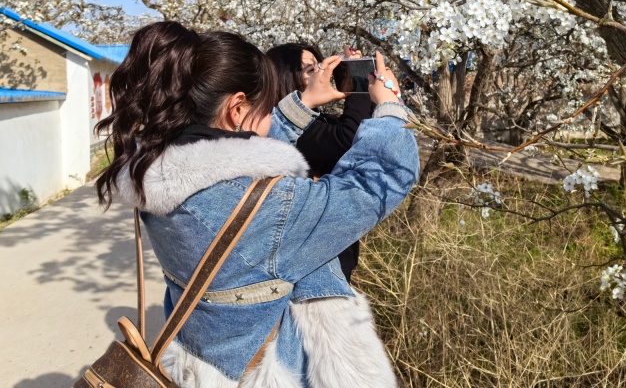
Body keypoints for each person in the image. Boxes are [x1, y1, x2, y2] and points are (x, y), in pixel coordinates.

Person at [95, 22, 419, 388]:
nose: (270, 117)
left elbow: (230, 152)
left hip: (200, 364)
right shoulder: (268, 209)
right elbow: (377, 183)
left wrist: (303, 104)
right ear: (236, 108)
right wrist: (390, 107)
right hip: (266, 374)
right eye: (266, 107)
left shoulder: (156, 174)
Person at [266, 42, 372, 282]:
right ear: (285, 77)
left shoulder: (317, 121)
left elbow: (363, 127)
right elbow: (349, 140)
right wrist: (360, 81)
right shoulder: (287, 128)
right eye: (309, 70)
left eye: (319, 67)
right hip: (314, 266)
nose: (320, 75)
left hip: (331, 255)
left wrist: (352, 78)